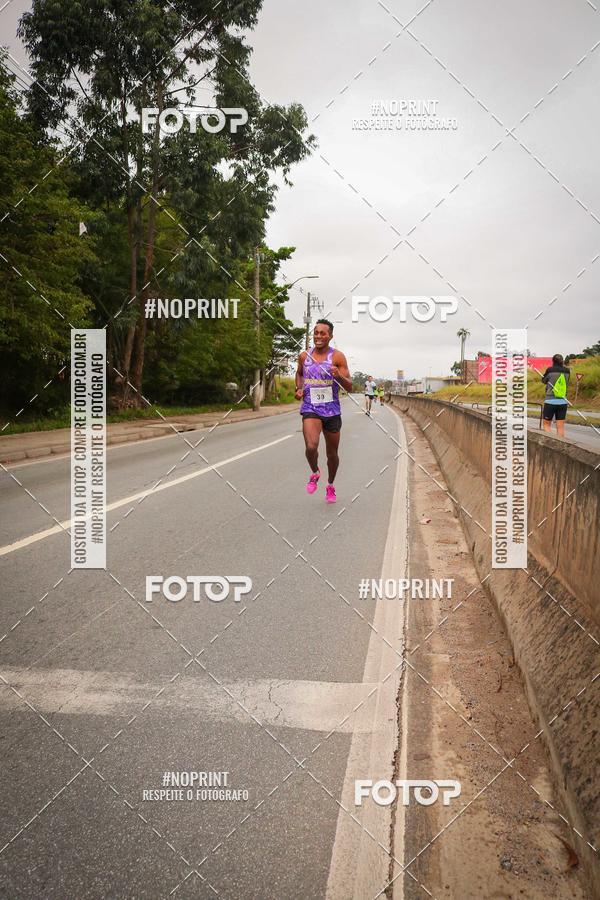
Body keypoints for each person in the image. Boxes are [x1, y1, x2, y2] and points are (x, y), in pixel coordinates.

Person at [295, 319, 352, 503]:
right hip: (310, 407)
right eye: (316, 333)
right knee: (311, 447)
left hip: (332, 411)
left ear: (330, 336)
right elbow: (299, 373)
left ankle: (330, 485)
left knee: (332, 454)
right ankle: (315, 472)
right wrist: (299, 388)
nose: (318, 336)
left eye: (323, 333)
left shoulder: (337, 357)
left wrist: (339, 376)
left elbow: (349, 386)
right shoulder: (304, 356)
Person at [541, 354, 570, 438]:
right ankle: (561, 443)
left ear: (553, 361)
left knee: (546, 424)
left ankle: (549, 441)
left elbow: (544, 381)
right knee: (560, 426)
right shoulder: (567, 371)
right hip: (563, 401)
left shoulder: (550, 370)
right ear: (562, 361)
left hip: (550, 401)